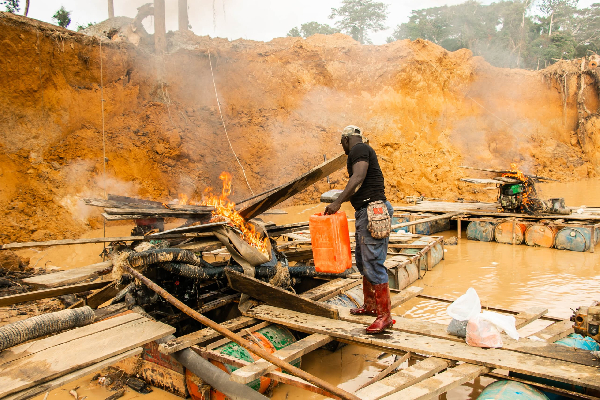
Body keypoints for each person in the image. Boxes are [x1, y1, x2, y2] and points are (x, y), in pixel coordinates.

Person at [325, 125, 394, 334]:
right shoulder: (361, 150)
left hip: (373, 211)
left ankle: (385, 317)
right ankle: (371, 306)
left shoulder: (358, 149)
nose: (344, 149)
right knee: (364, 261)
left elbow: (358, 177)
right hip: (367, 211)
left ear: (346, 140)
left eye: (342, 144)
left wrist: (337, 202)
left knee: (373, 262)